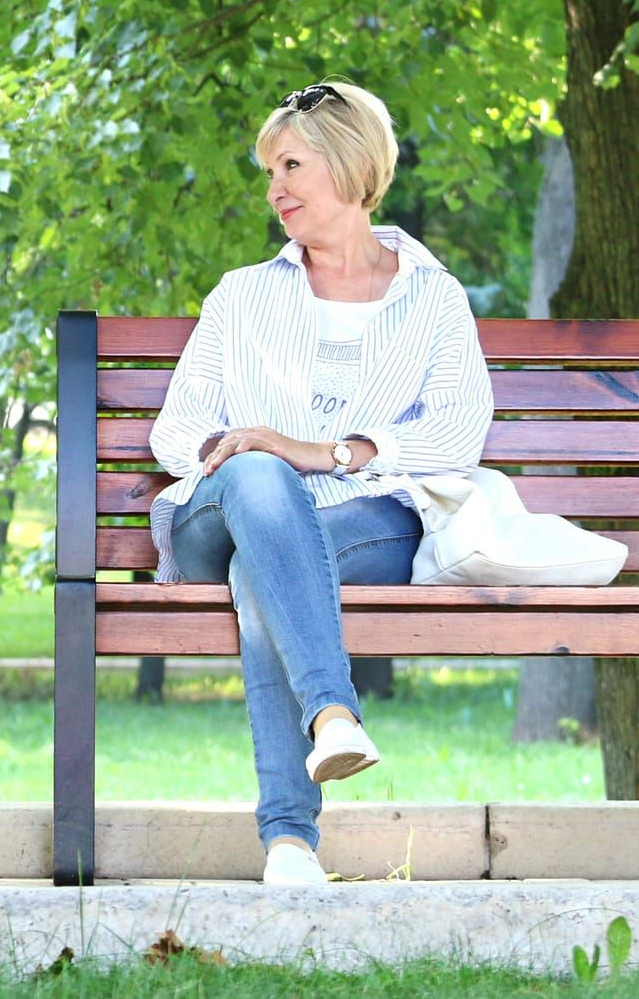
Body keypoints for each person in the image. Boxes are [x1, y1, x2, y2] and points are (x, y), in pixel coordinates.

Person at [148, 81, 492, 887]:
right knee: (261, 488)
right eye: (270, 171)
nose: (275, 189)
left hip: (364, 520)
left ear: (349, 165)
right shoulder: (243, 295)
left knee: (264, 566)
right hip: (220, 516)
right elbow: (176, 427)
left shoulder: (433, 299)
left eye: (291, 166)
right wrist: (249, 455)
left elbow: (458, 433)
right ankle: (331, 712)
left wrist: (327, 452)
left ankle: (290, 845)